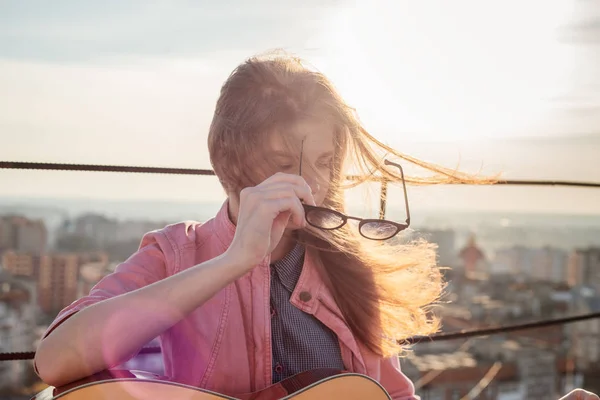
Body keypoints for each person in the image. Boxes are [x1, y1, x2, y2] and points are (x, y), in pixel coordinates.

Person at [34, 52, 598, 400]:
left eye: (326, 163)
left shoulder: (348, 275)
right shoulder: (174, 254)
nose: (314, 184)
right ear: (231, 163)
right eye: (286, 163)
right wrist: (232, 261)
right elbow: (54, 361)